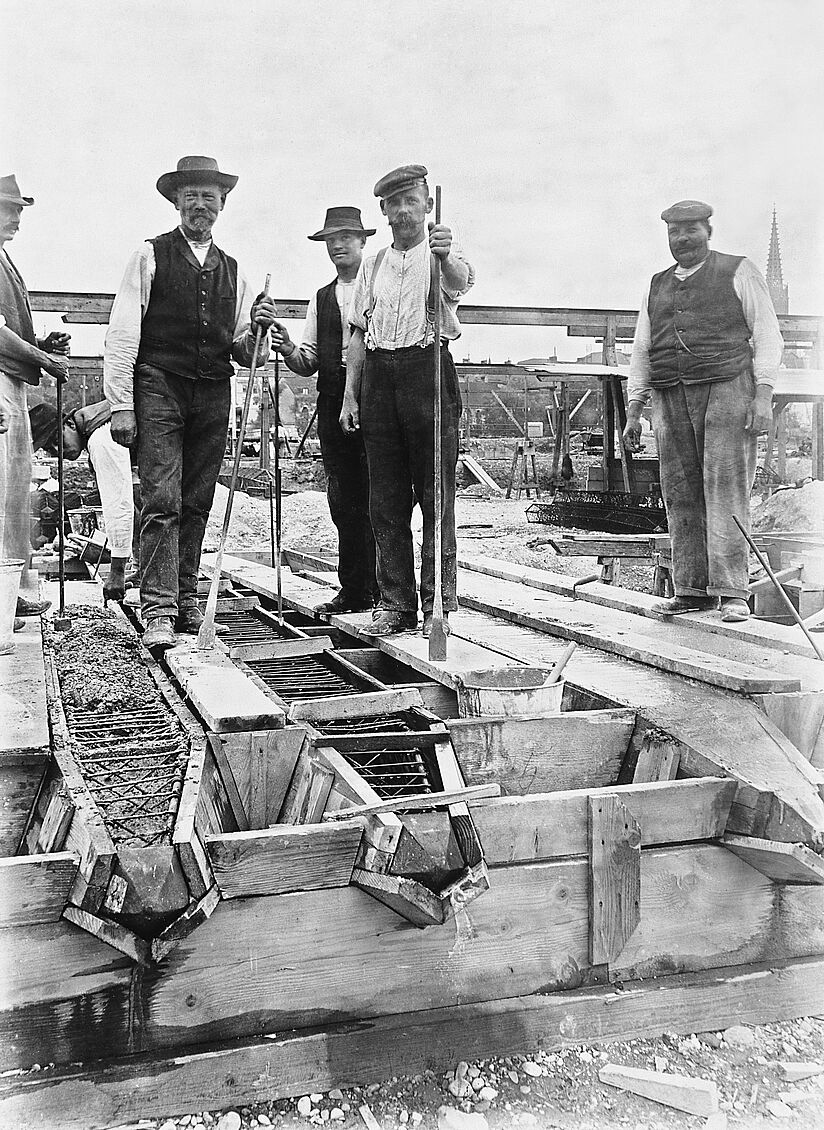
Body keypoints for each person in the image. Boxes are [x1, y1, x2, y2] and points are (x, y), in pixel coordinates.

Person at [104, 156, 276, 651]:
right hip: (160, 386)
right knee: (161, 498)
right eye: (191, 196)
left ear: (222, 205)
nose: (200, 205)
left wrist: (260, 328)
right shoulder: (150, 255)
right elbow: (123, 332)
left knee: (197, 498)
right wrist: (121, 404)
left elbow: (245, 351)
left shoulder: (235, 271)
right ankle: (156, 606)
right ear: (176, 202)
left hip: (212, 391)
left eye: (209, 197)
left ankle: (184, 596)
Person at [623, 200, 783, 622]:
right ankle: (692, 589)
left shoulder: (739, 270)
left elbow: (767, 332)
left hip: (728, 386)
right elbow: (642, 348)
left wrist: (763, 394)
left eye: (690, 230)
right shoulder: (657, 284)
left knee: (725, 489)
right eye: (674, 233)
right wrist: (634, 408)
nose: (682, 239)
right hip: (670, 393)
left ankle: (732, 592)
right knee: (679, 490)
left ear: (708, 231)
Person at [340, 166, 474, 637]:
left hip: (428, 371)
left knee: (436, 495)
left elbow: (461, 283)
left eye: (411, 202)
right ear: (384, 210)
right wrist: (351, 396)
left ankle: (440, 600)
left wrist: (446, 252)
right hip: (379, 377)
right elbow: (357, 334)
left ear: (427, 206)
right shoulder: (373, 265)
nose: (403, 212)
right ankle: (396, 603)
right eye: (394, 204)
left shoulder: (442, 256)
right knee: (385, 500)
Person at [270, 206, 379, 614]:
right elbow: (308, 360)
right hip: (333, 404)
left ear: (363, 241)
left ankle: (389, 591)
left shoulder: (381, 284)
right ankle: (354, 589)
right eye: (331, 239)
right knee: (343, 498)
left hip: (378, 403)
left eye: (347, 236)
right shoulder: (323, 297)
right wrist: (287, 348)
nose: (338, 245)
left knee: (382, 498)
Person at [0, 174, 70, 625]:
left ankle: (11, 593)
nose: (18, 222)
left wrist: (40, 342)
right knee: (2, 488)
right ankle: (5, 597)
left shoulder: (4, 260)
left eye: (20, 213)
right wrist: (42, 356)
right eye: (11, 212)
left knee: (14, 493)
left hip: (13, 381)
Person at [30, 400, 135, 602]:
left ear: (70, 424)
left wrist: (117, 572)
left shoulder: (101, 438)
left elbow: (119, 504)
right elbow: (138, 497)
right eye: (50, 449)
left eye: (56, 439)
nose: (57, 449)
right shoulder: (98, 427)